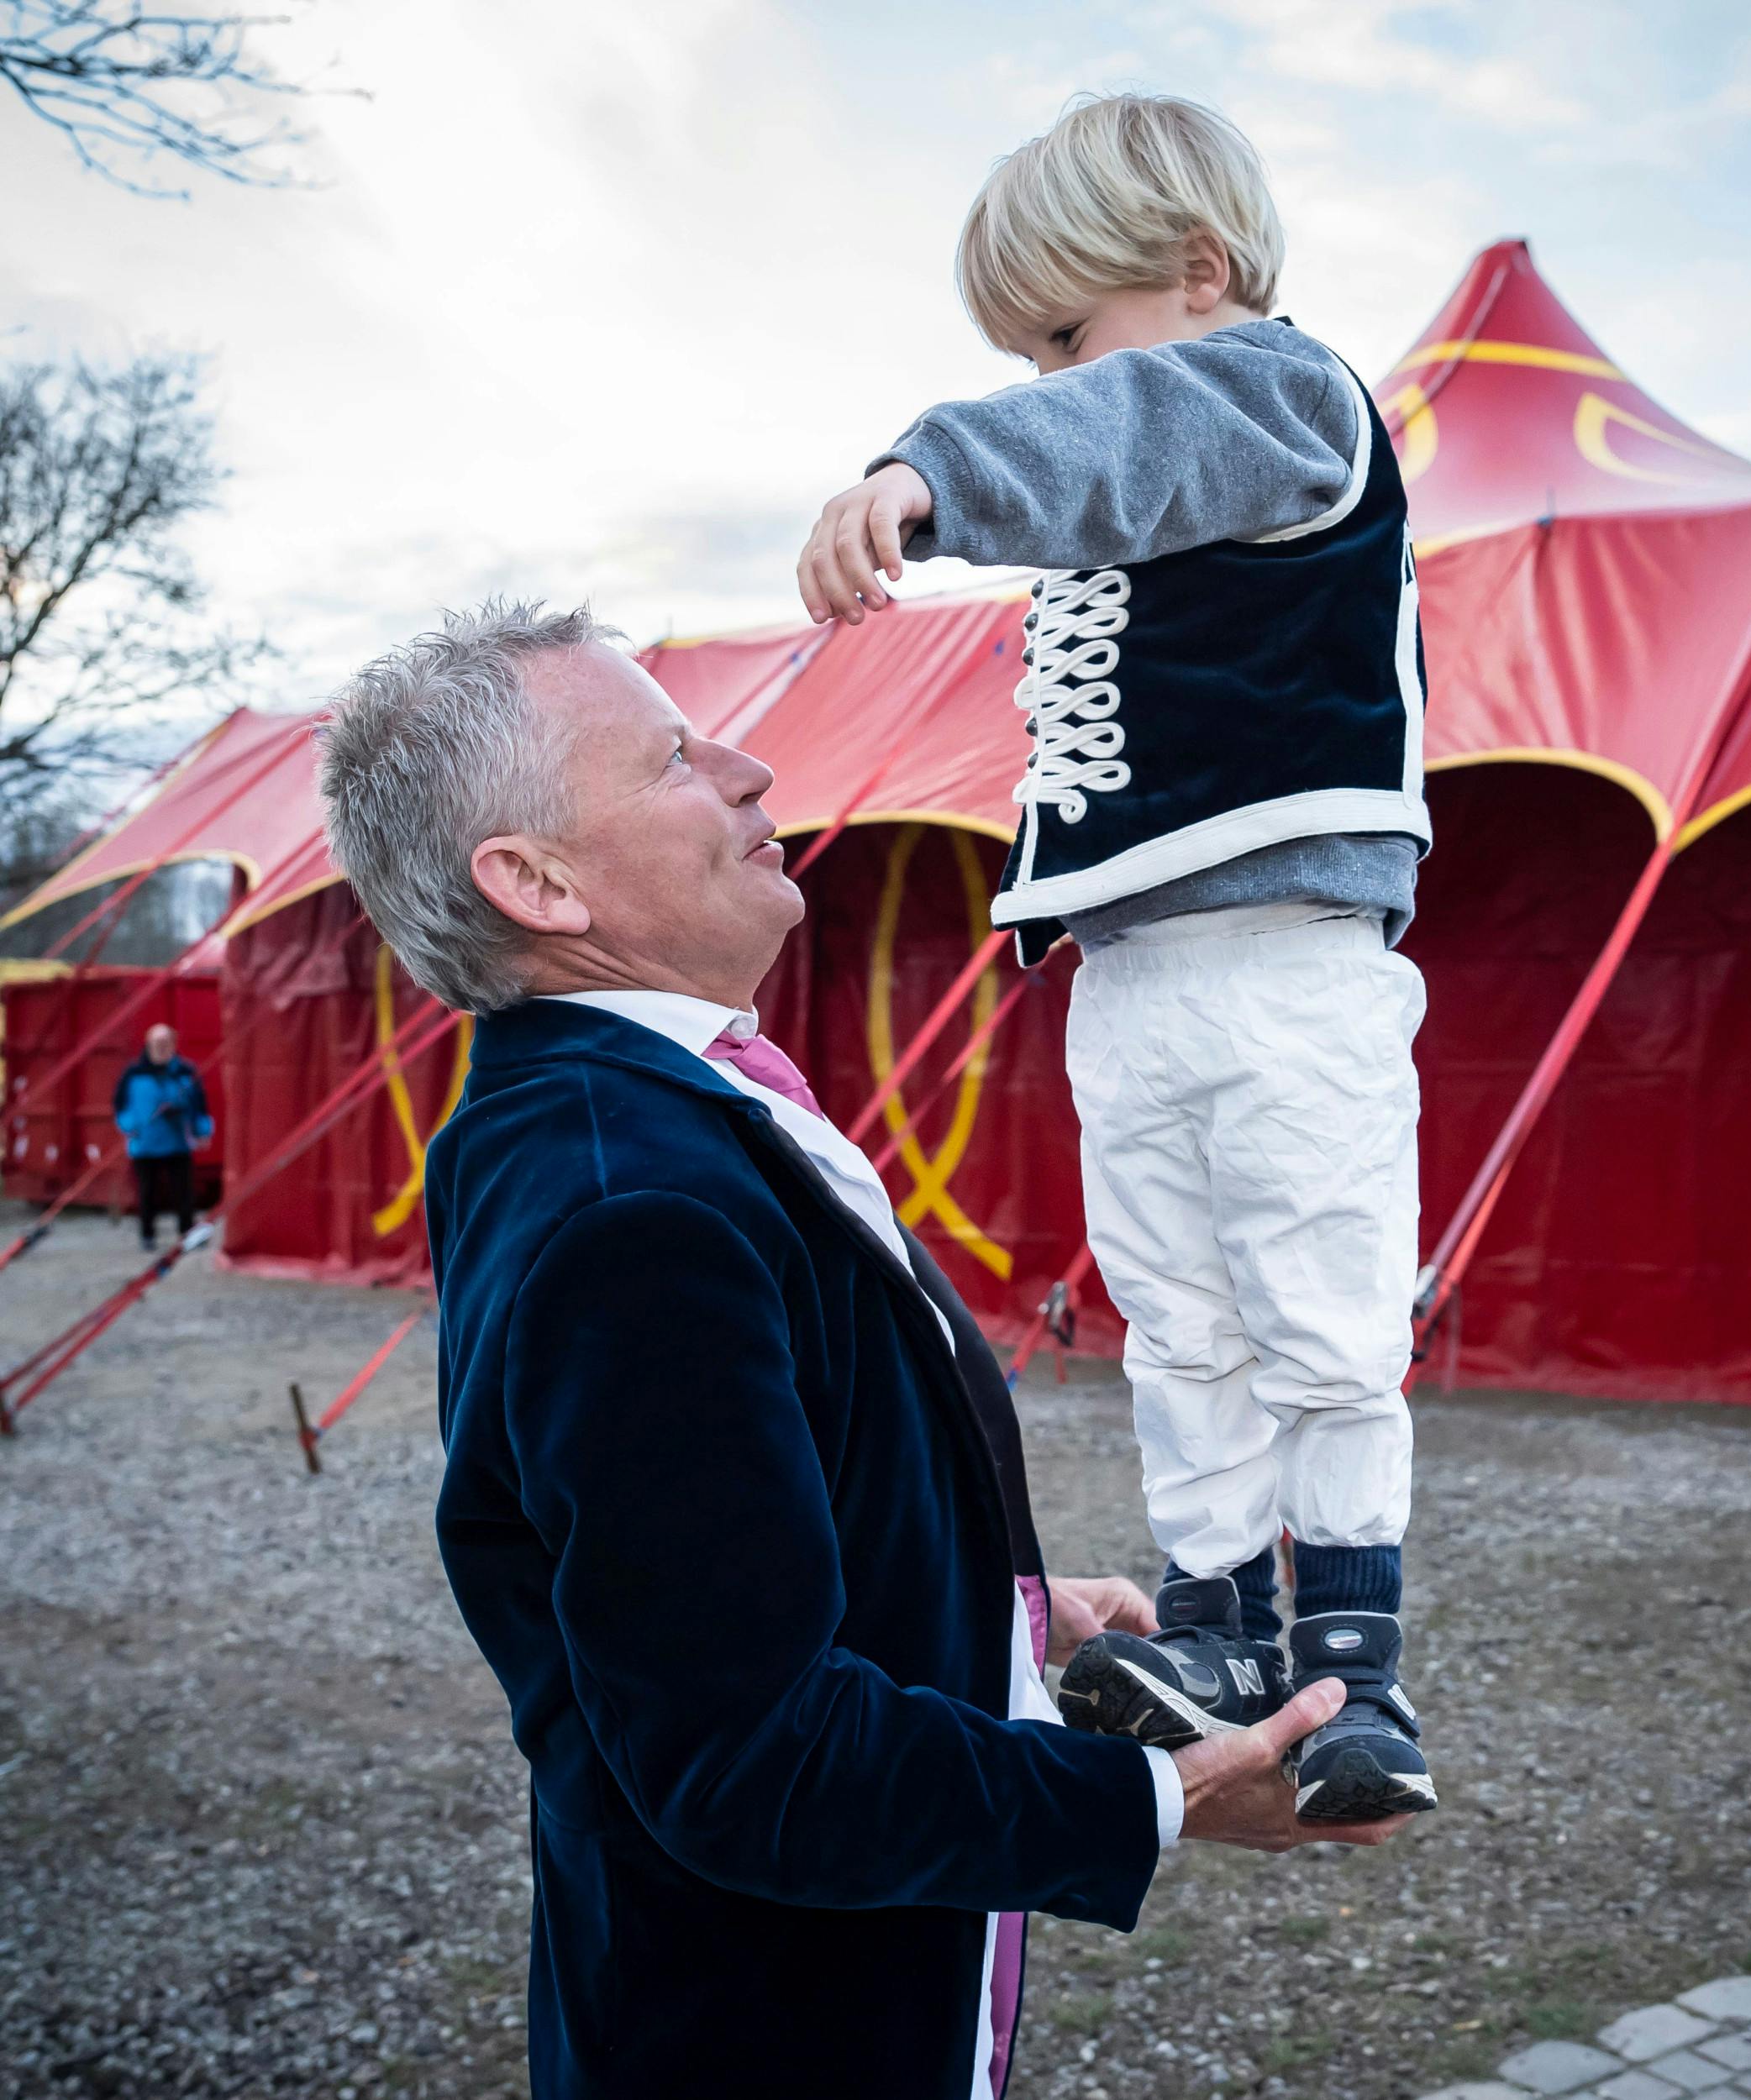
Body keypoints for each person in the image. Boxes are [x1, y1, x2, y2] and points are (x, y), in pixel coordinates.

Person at [317, 602, 1404, 2100]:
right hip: (763, 2036)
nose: (755, 769)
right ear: (537, 882)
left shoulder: (634, 1111)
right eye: (673, 762)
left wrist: (1000, 1618)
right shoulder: (629, 1199)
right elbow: (748, 1759)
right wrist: (1158, 1795)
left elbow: (742, 1548)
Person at [796, 93, 1435, 1826]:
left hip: (1287, 952)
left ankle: (1355, 1670)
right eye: (1022, 359)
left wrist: (937, 463)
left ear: (1196, 268)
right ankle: (1218, 1629)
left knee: (1319, 1324)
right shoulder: (1140, 472)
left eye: (1061, 341)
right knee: (1177, 1325)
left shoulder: (1283, 395)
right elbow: (1118, 442)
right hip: (1132, 966)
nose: (1054, 381)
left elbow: (1139, 421)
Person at [112, 1021, 213, 1249]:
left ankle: (187, 1232)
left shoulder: (186, 1071)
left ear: (174, 1044)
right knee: (148, 1193)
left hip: (178, 1142)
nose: (162, 1047)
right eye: (157, 1043)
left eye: (166, 1043)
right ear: (148, 1045)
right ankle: (147, 1235)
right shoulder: (133, 1073)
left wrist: (202, 1131)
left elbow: (200, 1105)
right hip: (145, 1144)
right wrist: (130, 1126)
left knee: (184, 1192)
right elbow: (120, 1107)